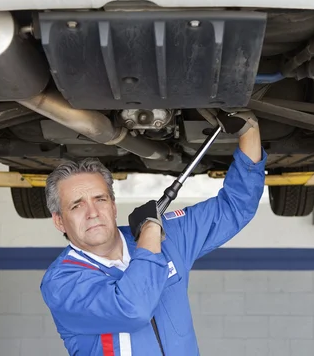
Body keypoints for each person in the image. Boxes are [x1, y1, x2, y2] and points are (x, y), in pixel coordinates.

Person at [40, 110, 266, 355]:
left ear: (113, 206)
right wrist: (149, 234)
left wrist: (249, 130)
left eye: (100, 199)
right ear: (59, 221)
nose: (92, 212)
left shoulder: (167, 235)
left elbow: (235, 207)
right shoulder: (62, 282)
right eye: (76, 205)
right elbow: (133, 309)